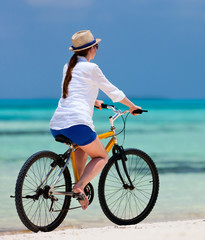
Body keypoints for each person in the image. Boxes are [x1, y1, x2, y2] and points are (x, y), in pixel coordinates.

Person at [49, 30, 141, 210]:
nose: (97, 50)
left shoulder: (68, 66)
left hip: (57, 124)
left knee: (81, 147)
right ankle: (79, 186)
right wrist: (132, 106)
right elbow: (112, 91)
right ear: (92, 49)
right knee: (101, 156)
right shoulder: (92, 68)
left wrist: (93, 101)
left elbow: (72, 93)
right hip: (77, 124)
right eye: (96, 47)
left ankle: (78, 185)